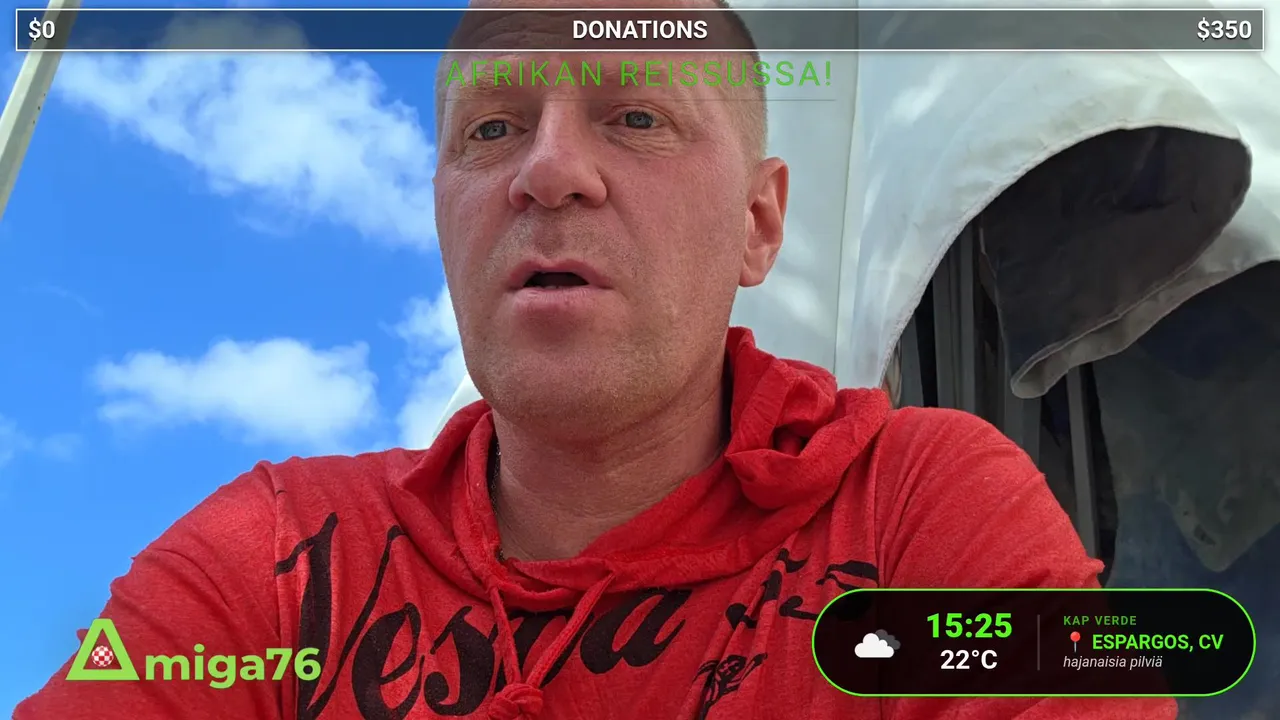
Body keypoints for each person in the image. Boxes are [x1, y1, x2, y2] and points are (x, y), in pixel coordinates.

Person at [17, 1, 1178, 718]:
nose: (547, 172)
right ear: (442, 211)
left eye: (635, 117)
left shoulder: (920, 506)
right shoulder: (275, 557)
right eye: (491, 128)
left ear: (757, 224)